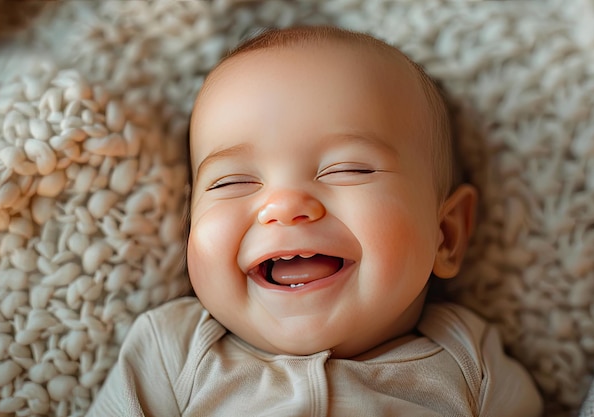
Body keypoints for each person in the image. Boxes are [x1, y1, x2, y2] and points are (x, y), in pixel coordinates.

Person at [88, 26, 543, 416]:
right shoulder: (174, 352)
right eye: (233, 182)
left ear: (445, 235)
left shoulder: (470, 362)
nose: (284, 206)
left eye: (348, 170)